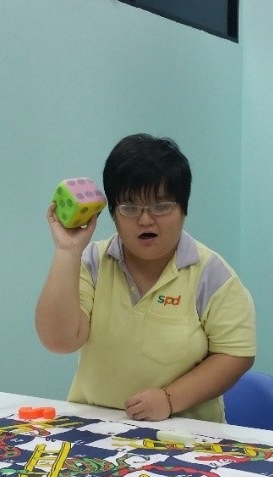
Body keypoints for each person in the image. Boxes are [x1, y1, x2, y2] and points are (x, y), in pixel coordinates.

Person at [35, 133, 256, 423]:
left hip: (183, 433)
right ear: (112, 212)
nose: (145, 220)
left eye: (161, 206)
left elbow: (236, 354)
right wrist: (67, 250)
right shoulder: (92, 263)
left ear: (183, 210)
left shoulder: (211, 275)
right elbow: (59, 341)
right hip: (95, 429)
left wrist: (170, 398)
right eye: (129, 208)